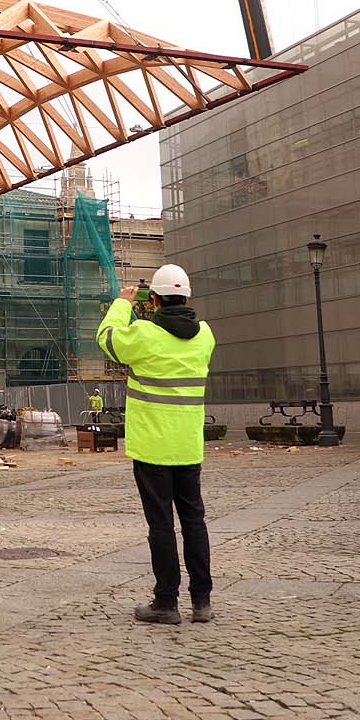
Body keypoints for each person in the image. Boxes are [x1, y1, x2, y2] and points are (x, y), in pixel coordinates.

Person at [96, 262, 215, 625]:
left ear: (156, 298)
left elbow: (107, 338)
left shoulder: (144, 335)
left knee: (161, 523)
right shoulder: (206, 336)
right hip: (188, 444)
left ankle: (166, 602)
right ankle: (202, 601)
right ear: (188, 296)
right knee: (194, 519)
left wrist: (123, 303)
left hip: (152, 446)